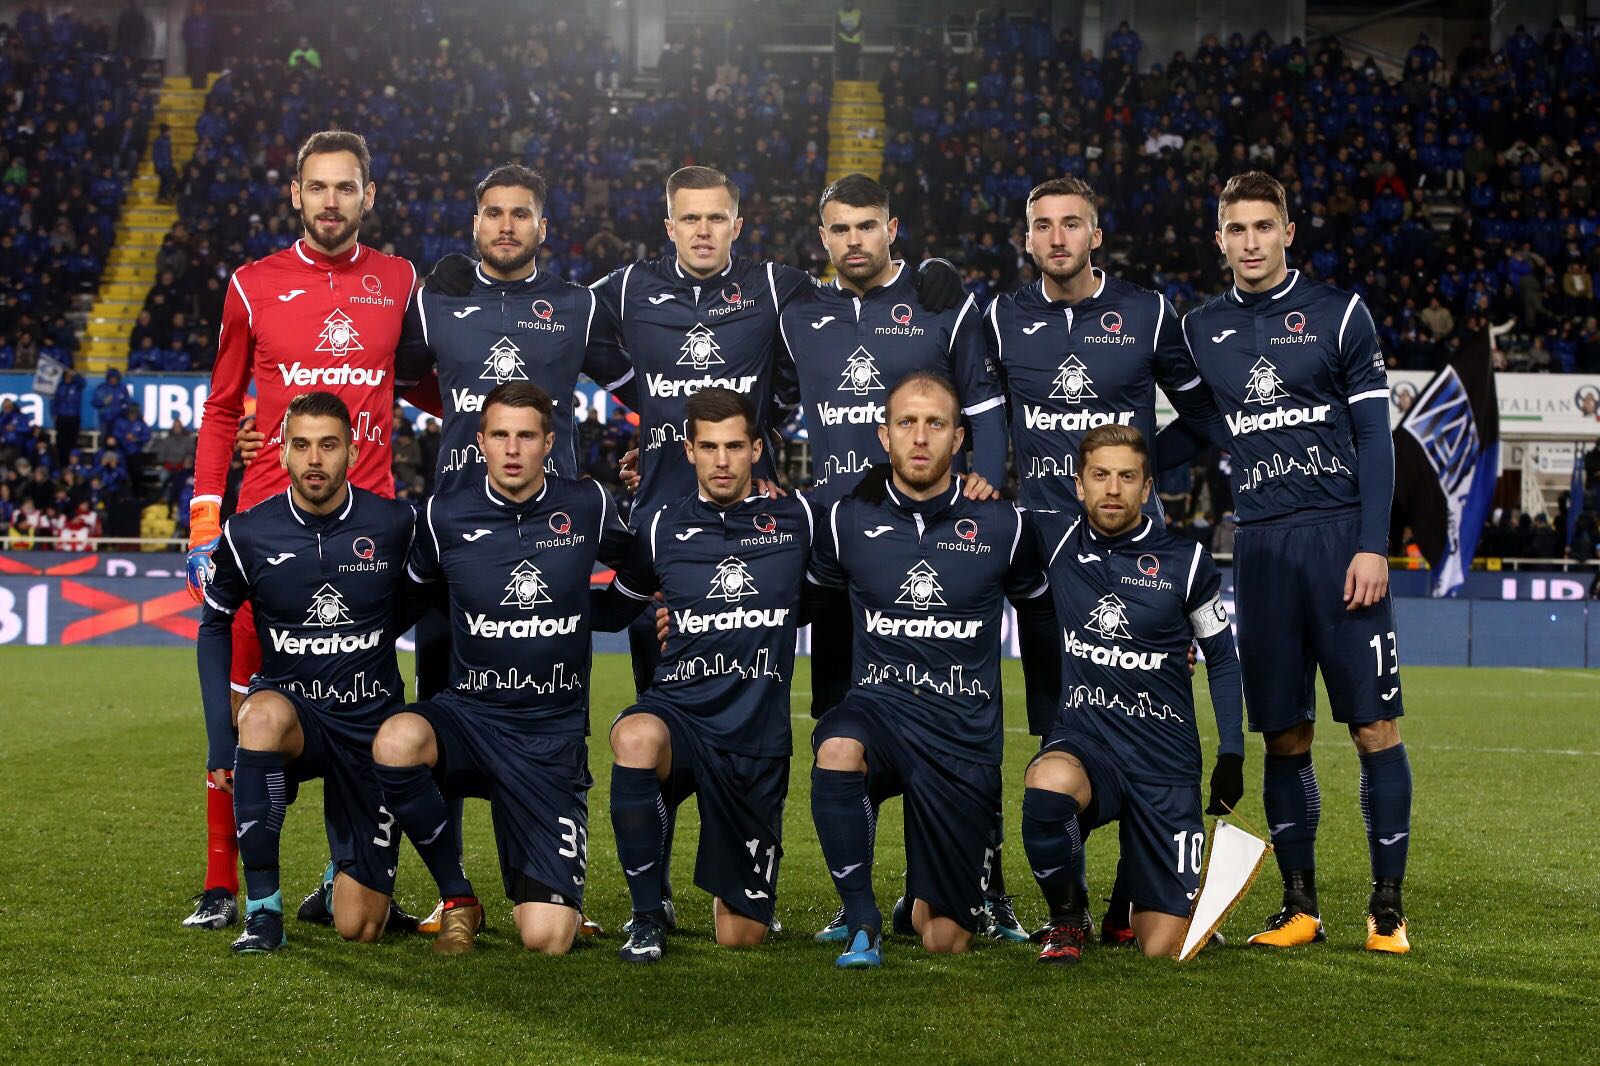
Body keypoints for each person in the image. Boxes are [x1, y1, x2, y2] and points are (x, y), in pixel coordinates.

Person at [390, 161, 635, 938]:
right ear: (474, 224)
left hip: (551, 532)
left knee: (552, 705)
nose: (505, 226)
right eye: (492, 212)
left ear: (541, 227)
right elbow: (386, 377)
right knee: (441, 706)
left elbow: (643, 384)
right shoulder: (437, 301)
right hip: (458, 532)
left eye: (519, 214)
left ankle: (554, 882)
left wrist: (657, 454)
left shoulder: (574, 305)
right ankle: (450, 888)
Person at [181, 129, 418, 932]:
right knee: (244, 708)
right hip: (264, 533)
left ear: (368, 196)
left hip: (370, 536)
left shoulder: (400, 281)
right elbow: (220, 408)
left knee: (366, 711)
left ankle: (345, 874)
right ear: (295, 194)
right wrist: (205, 522)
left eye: (345, 188)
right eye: (316, 187)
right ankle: (224, 885)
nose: (330, 201)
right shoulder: (253, 285)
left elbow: (434, 382)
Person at [776, 172, 1015, 940]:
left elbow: (982, 405)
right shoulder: (798, 313)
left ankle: (984, 887)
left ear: (893, 228)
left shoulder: (941, 302)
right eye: (840, 229)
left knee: (962, 721)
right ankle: (861, 907)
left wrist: (991, 482)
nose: (854, 241)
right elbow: (760, 407)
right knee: (844, 720)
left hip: (937, 537)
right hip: (844, 550)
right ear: (822, 238)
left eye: (867, 226)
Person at [1181, 171, 1412, 954]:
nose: (1250, 242)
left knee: (1374, 728)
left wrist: (1373, 543)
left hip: (1340, 538)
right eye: (1236, 229)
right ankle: (1300, 907)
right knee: (1285, 734)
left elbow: (1376, 437)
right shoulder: (1201, 327)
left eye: (1263, 227)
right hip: (1263, 548)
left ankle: (1387, 908)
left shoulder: (1340, 313)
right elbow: (1201, 424)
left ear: (1287, 232)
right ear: (1220, 240)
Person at [372, 383, 629, 956]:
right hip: (471, 721)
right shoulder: (444, 515)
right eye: (500, 435)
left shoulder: (586, 503)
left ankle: (554, 893)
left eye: (526, 435)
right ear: (480, 443)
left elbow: (642, 563)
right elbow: (406, 602)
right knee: (396, 740)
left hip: (550, 738)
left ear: (548, 444)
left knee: (547, 939)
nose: (513, 448)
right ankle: (458, 895)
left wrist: (606, 615)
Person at [807, 370, 1049, 967]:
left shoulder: (1004, 524)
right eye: (906, 423)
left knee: (946, 939)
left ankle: (921, 899)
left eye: (935, 423)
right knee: (837, 747)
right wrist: (688, 615)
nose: (920, 437)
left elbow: (1046, 623)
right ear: (883, 436)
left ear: (959, 438)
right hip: (880, 714)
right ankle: (860, 918)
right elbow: (806, 608)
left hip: (959, 734)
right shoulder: (846, 519)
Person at [595, 388, 815, 962]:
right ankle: (646, 915)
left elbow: (842, 580)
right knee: (635, 736)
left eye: (735, 447)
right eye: (710, 447)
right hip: (682, 716)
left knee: (740, 937)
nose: (722, 460)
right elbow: (614, 608)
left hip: (754, 740)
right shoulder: (660, 526)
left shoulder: (797, 520)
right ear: (688, 450)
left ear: (757, 450)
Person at [195, 392, 420, 952]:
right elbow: (213, 625)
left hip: (371, 725)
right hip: (296, 718)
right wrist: (221, 741)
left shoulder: (396, 524)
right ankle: (263, 910)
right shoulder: (248, 532)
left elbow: (434, 597)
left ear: (351, 451)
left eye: (327, 445)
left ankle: (334, 889)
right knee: (261, 716)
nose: (314, 459)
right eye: (301, 446)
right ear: (282, 453)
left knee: (360, 926)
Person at [1023, 424, 1245, 963]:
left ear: (1148, 489)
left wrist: (1232, 753)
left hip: (1163, 759)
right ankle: (1068, 918)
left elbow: (1221, 657)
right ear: (1079, 485)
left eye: (1127, 477)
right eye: (1100, 476)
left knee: (1161, 948)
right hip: (1088, 744)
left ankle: (1129, 900)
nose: (1113, 489)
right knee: (1048, 787)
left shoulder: (1186, 560)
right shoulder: (1054, 545)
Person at [51, 369, 85, 468]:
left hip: (74, 417)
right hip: (62, 417)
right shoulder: (59, 387)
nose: (69, 378)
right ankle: (62, 464)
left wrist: (75, 373)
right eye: (67, 375)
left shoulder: (77, 385)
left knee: (73, 442)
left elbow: (83, 382)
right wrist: (54, 413)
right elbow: (53, 401)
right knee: (61, 443)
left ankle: (73, 465)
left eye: (71, 376)